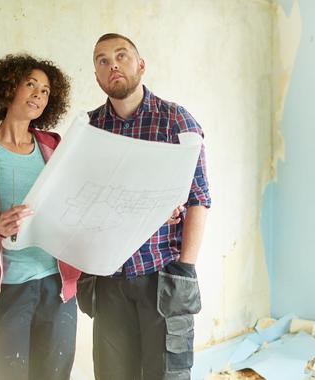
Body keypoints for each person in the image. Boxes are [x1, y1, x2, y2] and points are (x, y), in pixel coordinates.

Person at [77, 33, 212, 380]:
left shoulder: (175, 121)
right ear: (96, 76)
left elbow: (199, 199)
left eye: (121, 56)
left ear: (140, 65)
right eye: (102, 60)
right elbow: (82, 200)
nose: (113, 65)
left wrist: (185, 268)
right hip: (108, 280)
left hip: (161, 275)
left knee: (166, 374)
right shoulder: (89, 128)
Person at [0, 54, 81, 380]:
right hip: (7, 289)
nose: (38, 95)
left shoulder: (53, 146)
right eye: (31, 85)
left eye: (46, 91)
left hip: (58, 285)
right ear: (9, 87)